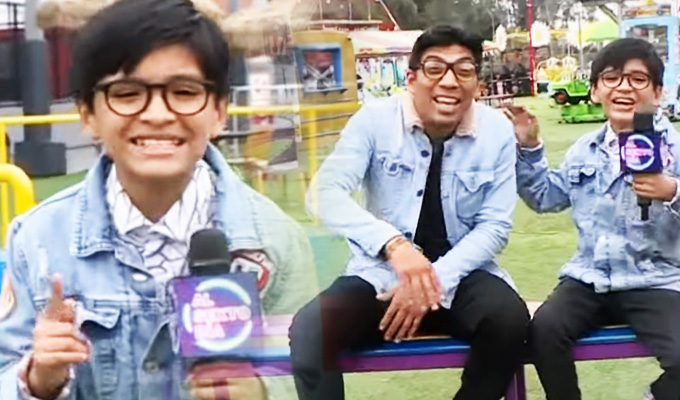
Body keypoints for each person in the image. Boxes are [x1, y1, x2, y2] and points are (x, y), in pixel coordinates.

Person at [0, 0, 316, 399]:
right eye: (127, 93)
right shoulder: (38, 240)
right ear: (87, 114)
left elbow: (306, 376)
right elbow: (6, 370)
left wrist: (262, 391)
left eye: (184, 92)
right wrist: (37, 379)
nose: (157, 114)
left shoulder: (275, 242)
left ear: (219, 112)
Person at [289, 25, 530, 400]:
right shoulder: (374, 120)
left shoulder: (497, 129)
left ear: (477, 84)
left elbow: (494, 226)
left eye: (464, 70)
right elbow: (323, 194)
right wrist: (393, 246)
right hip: (381, 274)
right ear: (411, 78)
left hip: (462, 274)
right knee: (311, 331)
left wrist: (430, 281)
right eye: (435, 68)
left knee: (509, 322)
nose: (449, 81)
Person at [507, 38, 680, 400]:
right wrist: (530, 147)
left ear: (658, 92)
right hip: (590, 277)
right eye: (611, 78)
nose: (623, 88)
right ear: (595, 91)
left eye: (638, 79)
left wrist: (672, 191)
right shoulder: (584, 149)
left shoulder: (674, 148)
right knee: (544, 330)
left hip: (657, 280)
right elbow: (545, 197)